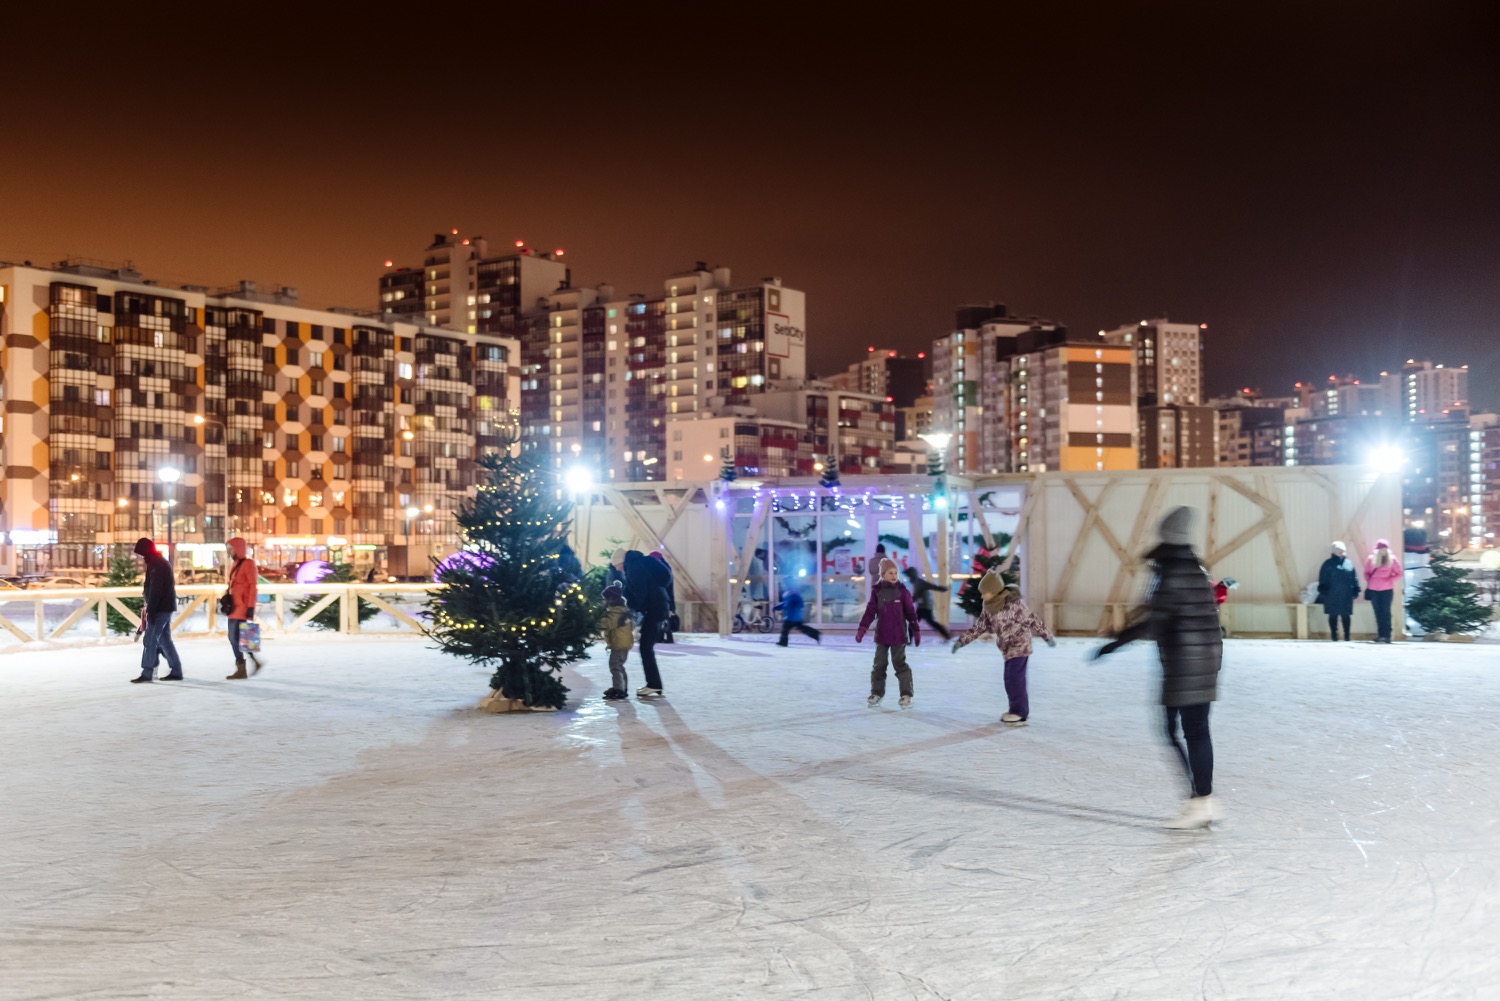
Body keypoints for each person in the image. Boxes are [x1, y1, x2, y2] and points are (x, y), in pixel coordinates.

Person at [1091, 506, 1223, 829]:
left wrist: (1115, 643)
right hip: (1206, 658)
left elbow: (1154, 621)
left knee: (1173, 730)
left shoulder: (1171, 573)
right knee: (1196, 730)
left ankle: (1200, 800)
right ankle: (1203, 799)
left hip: (1183, 662)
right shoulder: (1196, 569)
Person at [951, 572, 1054, 723]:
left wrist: (1047, 636)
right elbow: (979, 627)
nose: (981, 597)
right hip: (1007, 650)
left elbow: (1033, 620)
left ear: (993, 592)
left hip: (1020, 647)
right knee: (1010, 680)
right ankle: (1018, 709)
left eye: (984, 593)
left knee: (1014, 679)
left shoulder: (1015, 605)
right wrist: (961, 641)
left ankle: (1019, 712)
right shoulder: (989, 608)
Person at [855, 558, 921, 708]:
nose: (894, 575)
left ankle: (906, 694)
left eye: (896, 573)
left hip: (899, 635)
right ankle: (876, 693)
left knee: (900, 664)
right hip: (882, 635)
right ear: (883, 574)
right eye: (890, 572)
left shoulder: (903, 592)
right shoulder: (877, 592)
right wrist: (862, 628)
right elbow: (870, 612)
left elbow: (911, 613)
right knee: (879, 664)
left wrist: (916, 630)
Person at [130, 537, 182, 683]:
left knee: (150, 640)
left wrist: (151, 610)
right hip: (164, 606)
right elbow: (152, 588)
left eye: (141, 553)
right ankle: (176, 670)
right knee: (165, 640)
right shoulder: (157, 562)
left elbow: (156, 590)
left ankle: (147, 672)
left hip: (160, 608)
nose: (141, 556)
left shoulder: (156, 564)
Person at [623, 549, 670, 697]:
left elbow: (640, 589)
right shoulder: (640, 564)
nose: (617, 569)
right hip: (659, 606)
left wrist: (633, 610)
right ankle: (654, 684)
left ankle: (654, 684)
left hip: (655, 608)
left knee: (645, 647)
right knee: (646, 647)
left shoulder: (633, 566)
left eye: (616, 565)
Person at [224, 537, 262, 679]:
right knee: (235, 638)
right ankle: (252, 662)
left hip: (242, 607)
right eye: (228, 548)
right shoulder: (234, 564)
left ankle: (242, 667)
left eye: (231, 548)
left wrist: (250, 607)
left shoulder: (248, 564)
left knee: (236, 638)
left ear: (238, 548)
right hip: (233, 607)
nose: (229, 551)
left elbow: (253, 586)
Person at [1317, 541, 1361, 641]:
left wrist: (1356, 589)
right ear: (1333, 551)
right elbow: (1323, 577)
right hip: (1332, 594)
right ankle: (1334, 636)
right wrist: (1323, 589)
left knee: (1346, 615)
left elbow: (1354, 577)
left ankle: (1347, 636)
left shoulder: (1348, 563)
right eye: (1338, 550)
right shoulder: (1328, 563)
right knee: (1333, 614)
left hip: (1346, 594)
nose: (1341, 552)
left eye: (1342, 550)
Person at [600, 582, 633, 700]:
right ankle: (621, 688)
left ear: (610, 599)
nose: (603, 601)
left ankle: (619, 689)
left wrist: (594, 620)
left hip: (619, 644)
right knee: (619, 666)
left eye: (604, 599)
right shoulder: (621, 610)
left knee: (615, 666)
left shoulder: (616, 612)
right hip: (622, 642)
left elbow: (607, 624)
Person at [1364, 539, 1399, 643]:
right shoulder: (1371, 559)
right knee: (1378, 613)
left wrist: (1389, 580)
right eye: (1381, 549)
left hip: (1387, 590)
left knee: (1386, 612)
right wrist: (1370, 582)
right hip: (1374, 590)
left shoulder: (1392, 560)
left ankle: (1387, 635)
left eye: (1385, 549)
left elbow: (1399, 572)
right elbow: (1366, 572)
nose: (1383, 551)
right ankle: (1380, 635)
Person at [903, 566, 951, 640]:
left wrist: (942, 588)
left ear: (912, 576)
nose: (908, 579)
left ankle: (908, 639)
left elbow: (917, 595)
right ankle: (946, 635)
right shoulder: (917, 582)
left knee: (915, 622)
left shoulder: (919, 583)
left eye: (908, 577)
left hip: (924, 607)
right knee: (929, 622)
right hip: (924, 606)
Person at [774, 580, 821, 646]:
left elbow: (799, 603)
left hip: (791, 616)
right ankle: (815, 634)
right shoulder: (788, 593)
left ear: (788, 584)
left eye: (784, 584)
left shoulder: (793, 593)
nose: (783, 585)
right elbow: (785, 603)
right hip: (792, 615)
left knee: (785, 628)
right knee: (801, 627)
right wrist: (777, 607)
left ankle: (783, 642)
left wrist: (789, 606)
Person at [649, 550, 677, 642]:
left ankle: (660, 637)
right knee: (664, 618)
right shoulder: (666, 567)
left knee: (661, 618)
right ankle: (667, 637)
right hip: (668, 597)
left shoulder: (659, 568)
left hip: (661, 597)